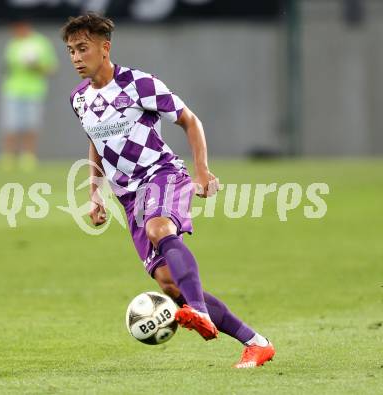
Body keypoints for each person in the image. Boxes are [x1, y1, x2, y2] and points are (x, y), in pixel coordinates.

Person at [62, 12, 275, 368]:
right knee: (169, 284)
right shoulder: (79, 99)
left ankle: (201, 312)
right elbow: (97, 144)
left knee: (159, 228)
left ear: (105, 47)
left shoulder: (138, 84)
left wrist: (202, 171)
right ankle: (256, 342)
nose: (76, 58)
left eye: (82, 48)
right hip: (129, 198)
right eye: (70, 50)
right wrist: (95, 193)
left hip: (162, 174)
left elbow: (190, 120)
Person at [0, 19, 58, 172]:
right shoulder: (13, 43)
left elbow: (51, 68)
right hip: (13, 89)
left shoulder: (41, 43)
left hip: (34, 90)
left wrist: (36, 66)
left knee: (31, 124)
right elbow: (7, 66)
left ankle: (28, 157)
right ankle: (8, 156)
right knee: (11, 124)